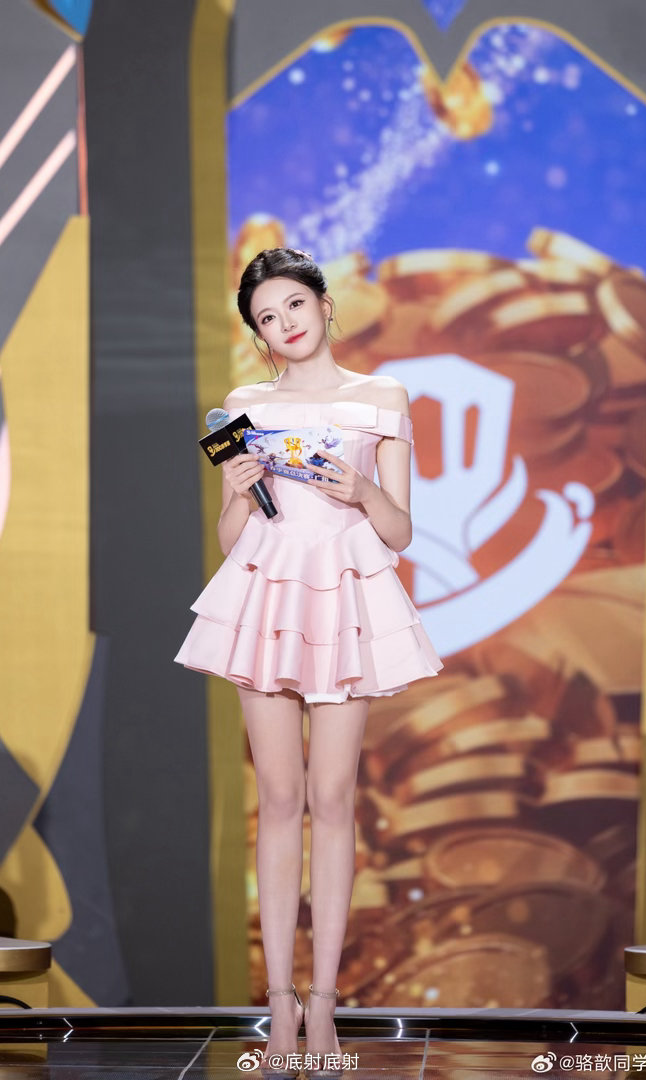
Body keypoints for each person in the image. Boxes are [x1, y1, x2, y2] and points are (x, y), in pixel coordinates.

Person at [175, 248, 442, 1078]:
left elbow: (400, 533)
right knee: (280, 798)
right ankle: (280, 1003)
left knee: (332, 797)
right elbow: (231, 539)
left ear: (325, 305)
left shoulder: (382, 397)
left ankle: (325, 1002)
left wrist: (358, 490)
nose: (284, 324)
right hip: (267, 598)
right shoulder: (243, 408)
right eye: (267, 317)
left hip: (344, 597)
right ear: (257, 334)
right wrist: (241, 485)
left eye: (294, 305)